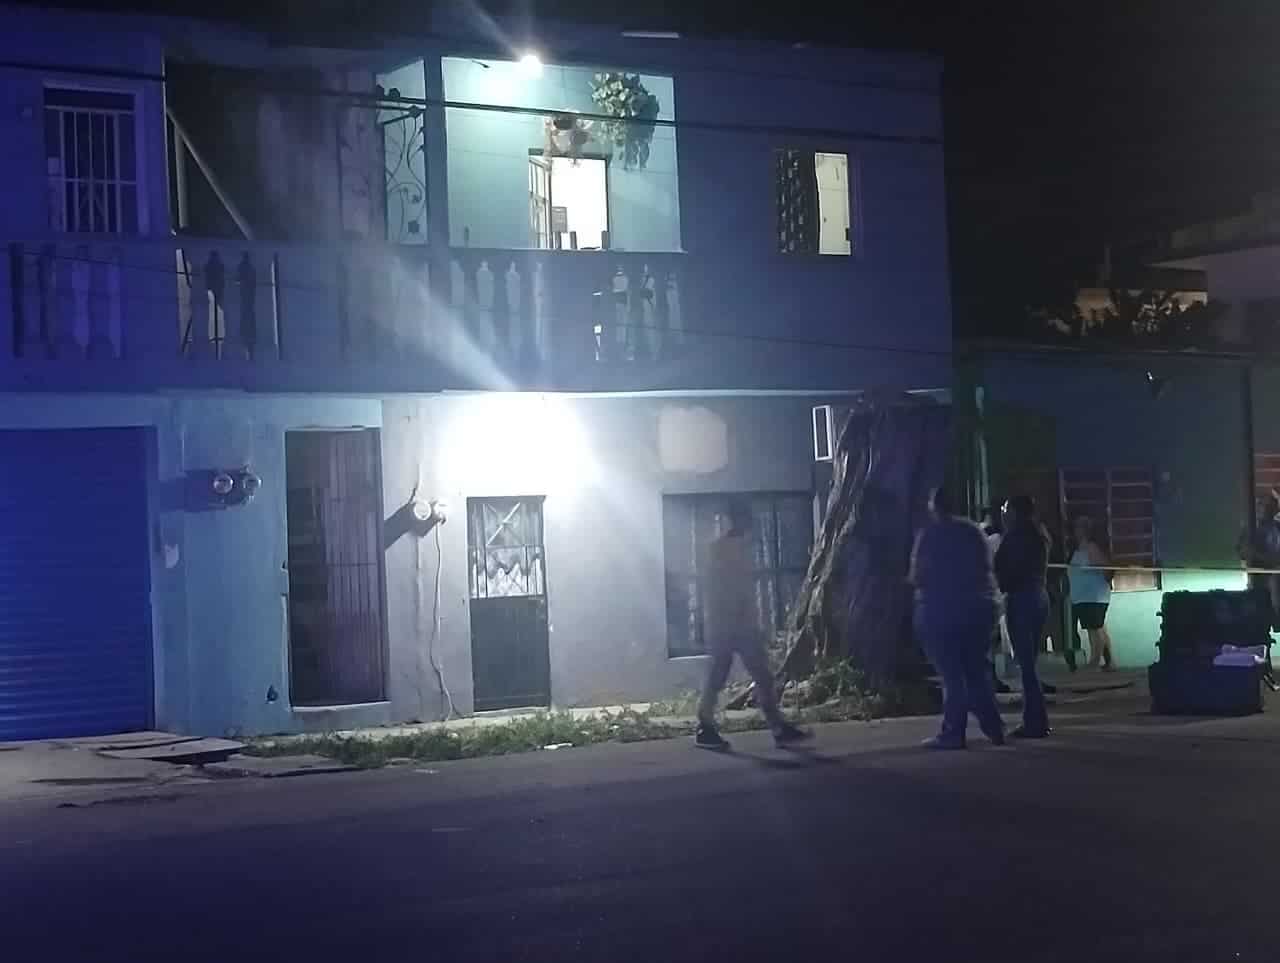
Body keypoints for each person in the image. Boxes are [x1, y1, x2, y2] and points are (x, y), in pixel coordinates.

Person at [694, 496, 809, 751]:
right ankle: (705, 726)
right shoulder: (722, 551)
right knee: (722, 676)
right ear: (740, 520)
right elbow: (723, 591)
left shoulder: (735, 549)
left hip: (737, 625)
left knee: (759, 676)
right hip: (727, 625)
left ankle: (776, 727)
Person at [909, 487, 1005, 749]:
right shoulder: (974, 532)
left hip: (942, 609)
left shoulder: (930, 534)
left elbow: (919, 574)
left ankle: (953, 731)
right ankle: (994, 726)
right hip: (979, 608)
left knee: (951, 674)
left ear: (934, 506)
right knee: (975, 670)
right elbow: (987, 568)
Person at [995, 496, 1052, 738]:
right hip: (1039, 596)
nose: (1003, 513)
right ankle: (1036, 718)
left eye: (1006, 509)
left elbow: (1003, 570)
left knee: (1026, 665)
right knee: (1030, 663)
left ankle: (1035, 721)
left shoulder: (1014, 537)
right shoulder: (1039, 535)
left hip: (1021, 598)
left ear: (1016, 512)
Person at [1069, 515, 1114, 670]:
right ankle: (1109, 661)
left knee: (1095, 629)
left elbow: (1106, 568)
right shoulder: (1079, 550)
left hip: (1093, 596)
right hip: (1083, 596)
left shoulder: (1091, 548)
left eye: (1078, 527)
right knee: (1097, 627)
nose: (1075, 530)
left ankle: (1094, 661)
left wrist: (1106, 582)